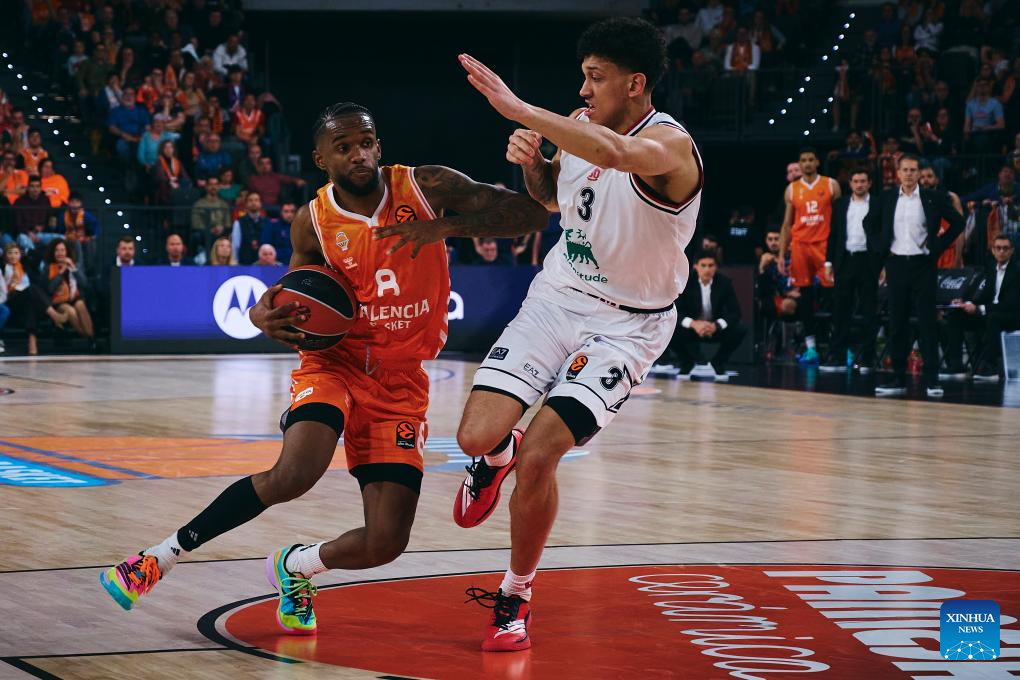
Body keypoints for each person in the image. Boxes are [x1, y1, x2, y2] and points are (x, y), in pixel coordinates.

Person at [99, 102, 547, 638]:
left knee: (386, 542)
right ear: (321, 159)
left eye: (367, 143)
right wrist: (261, 313)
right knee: (295, 472)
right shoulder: (312, 221)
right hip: (334, 364)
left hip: (400, 382)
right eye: (344, 147)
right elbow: (291, 294)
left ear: (379, 146)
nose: (359, 154)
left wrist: (444, 227)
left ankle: (296, 566)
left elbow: (532, 215)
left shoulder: (426, 186)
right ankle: (156, 558)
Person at [378, 19, 702, 651]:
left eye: (596, 78)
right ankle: (494, 459)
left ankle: (515, 593)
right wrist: (534, 165)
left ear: (635, 84)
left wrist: (520, 109)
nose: (583, 89)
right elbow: (553, 200)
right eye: (583, 76)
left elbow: (616, 155)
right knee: (475, 436)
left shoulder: (670, 146)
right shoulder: (579, 127)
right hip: (557, 298)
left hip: (628, 326)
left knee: (542, 455)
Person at [870, 154, 964, 397]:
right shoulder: (887, 197)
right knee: (897, 323)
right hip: (896, 264)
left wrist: (938, 246)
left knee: (927, 323)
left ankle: (932, 380)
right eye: (905, 170)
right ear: (898, 173)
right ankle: (897, 378)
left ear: (919, 173)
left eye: (913, 170)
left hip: (923, 265)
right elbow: (869, 223)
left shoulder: (932, 197)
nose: (909, 174)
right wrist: (881, 248)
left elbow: (958, 222)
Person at [778, 147, 841, 363]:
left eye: (811, 159)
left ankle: (835, 344)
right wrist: (781, 254)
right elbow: (787, 225)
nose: (807, 163)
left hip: (824, 245)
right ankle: (811, 347)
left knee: (832, 296)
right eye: (803, 160)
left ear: (817, 162)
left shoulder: (831, 185)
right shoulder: (792, 189)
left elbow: (839, 219)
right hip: (800, 246)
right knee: (804, 299)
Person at [821, 169, 879, 372]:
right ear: (851, 184)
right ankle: (837, 357)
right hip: (845, 260)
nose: (859, 184)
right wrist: (828, 263)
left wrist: (882, 264)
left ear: (869, 183)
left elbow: (883, 234)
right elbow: (834, 234)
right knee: (840, 310)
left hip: (868, 262)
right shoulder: (840, 204)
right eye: (856, 181)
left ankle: (868, 359)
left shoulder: (878, 204)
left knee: (869, 311)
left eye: (863, 181)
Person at [945, 236, 1019, 381]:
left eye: (1005, 248)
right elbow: (984, 295)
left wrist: (980, 309)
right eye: (998, 248)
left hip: (1011, 316)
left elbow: (1010, 304)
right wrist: (966, 303)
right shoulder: (991, 268)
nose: (1001, 251)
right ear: (993, 251)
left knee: (993, 318)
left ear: (1011, 251)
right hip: (990, 312)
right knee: (955, 316)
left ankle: (990, 367)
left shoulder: (1017, 272)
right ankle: (956, 364)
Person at [670, 249, 746, 378]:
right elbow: (676, 310)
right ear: (696, 266)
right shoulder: (686, 283)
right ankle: (686, 362)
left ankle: (718, 362)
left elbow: (735, 312)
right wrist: (694, 324)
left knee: (740, 329)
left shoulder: (724, 283)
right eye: (703, 265)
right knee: (668, 328)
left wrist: (716, 325)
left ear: (716, 267)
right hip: (692, 328)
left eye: (711, 265)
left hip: (714, 328)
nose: (707, 269)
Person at [2, 242, 67, 356]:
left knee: (31, 302)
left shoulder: (24, 266)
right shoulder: (3, 268)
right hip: (10, 300)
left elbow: (41, 252)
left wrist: (27, 251)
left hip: (25, 298)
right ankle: (54, 315)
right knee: (32, 289)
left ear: (20, 255)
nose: (13, 256)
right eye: (10, 253)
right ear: (5, 255)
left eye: (16, 253)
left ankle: (32, 343)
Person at [44, 238, 94, 345]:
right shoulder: (49, 267)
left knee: (80, 305)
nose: (60, 253)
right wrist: (61, 272)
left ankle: (90, 337)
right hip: (58, 302)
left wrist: (73, 269)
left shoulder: (74, 265)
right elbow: (49, 289)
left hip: (74, 298)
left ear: (67, 252)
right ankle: (89, 337)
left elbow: (85, 284)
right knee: (71, 311)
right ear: (53, 252)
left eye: (62, 250)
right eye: (57, 250)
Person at [918, 165, 964, 269]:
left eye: (929, 176)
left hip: (949, 253)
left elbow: (960, 231)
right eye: (922, 177)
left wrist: (958, 257)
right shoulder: (916, 200)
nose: (925, 180)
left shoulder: (951, 198)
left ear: (937, 179)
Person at [260, 201, 296, 266]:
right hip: (276, 263)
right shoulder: (272, 225)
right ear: (281, 212)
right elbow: (265, 246)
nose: (289, 214)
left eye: (292, 211)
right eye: (286, 211)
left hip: (296, 263)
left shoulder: (300, 227)